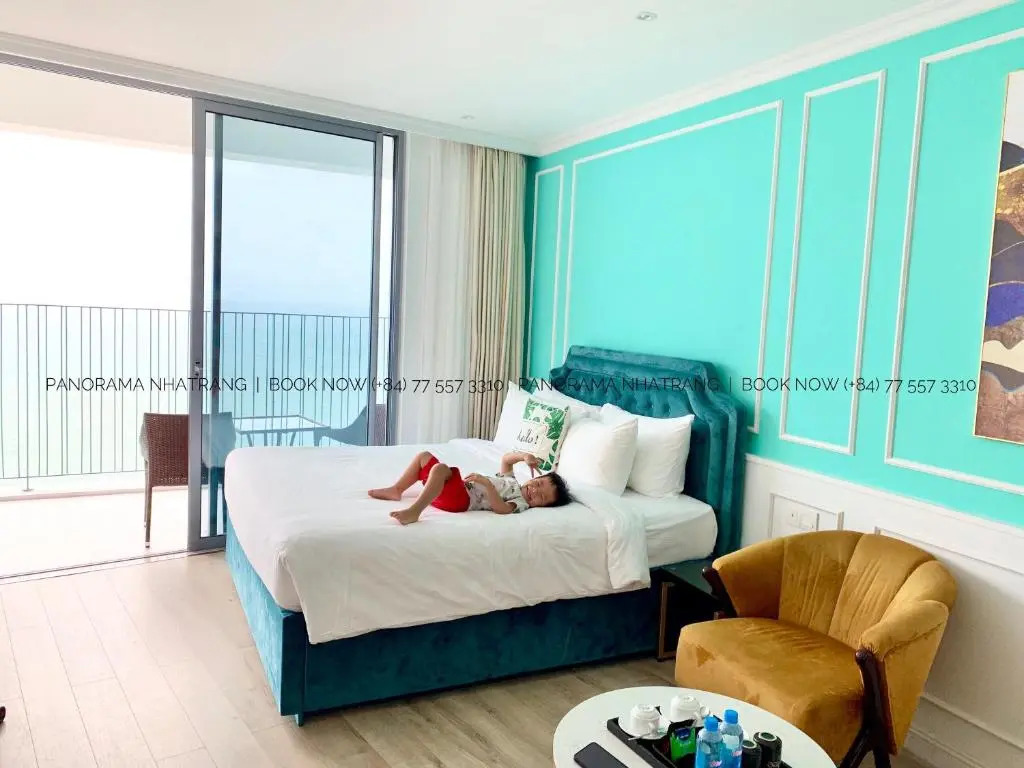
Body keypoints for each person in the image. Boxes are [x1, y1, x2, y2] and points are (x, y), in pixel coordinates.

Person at [369, 449, 571, 524]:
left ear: (540, 506)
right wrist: (525, 456)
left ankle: (414, 512)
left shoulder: (521, 503)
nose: (534, 491)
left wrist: (487, 484)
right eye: (538, 484)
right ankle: (397, 490)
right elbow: (506, 459)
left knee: (440, 469)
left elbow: (502, 509)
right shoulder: (512, 481)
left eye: (541, 497)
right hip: (458, 490)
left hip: (461, 500)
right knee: (424, 457)